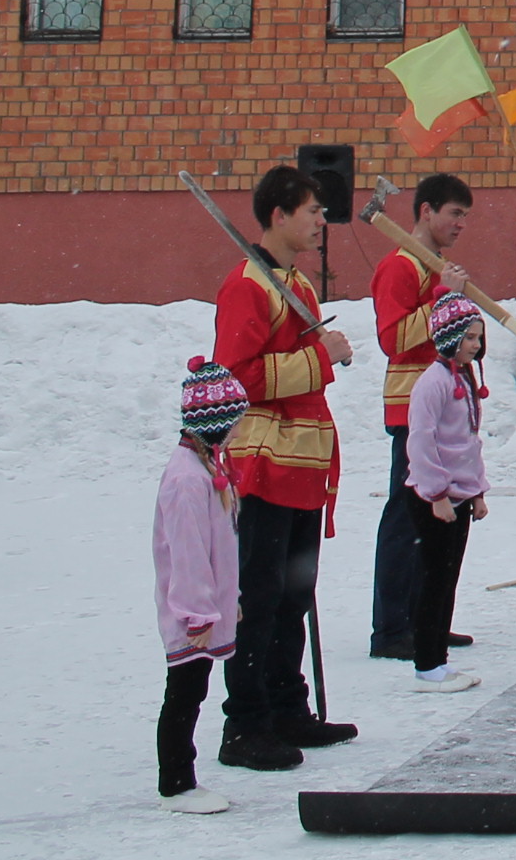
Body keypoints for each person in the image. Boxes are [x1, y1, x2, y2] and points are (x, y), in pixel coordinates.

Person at [212, 163, 358, 770]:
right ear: (279, 215)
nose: (322, 222)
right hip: (265, 463)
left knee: (295, 594)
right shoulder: (247, 286)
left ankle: (286, 705)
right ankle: (244, 724)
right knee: (261, 595)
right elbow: (236, 379)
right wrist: (320, 358)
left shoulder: (295, 285)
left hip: (302, 462)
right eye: (312, 212)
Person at [369, 173, 475, 661]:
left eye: (464, 217)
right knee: (407, 516)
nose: (459, 225)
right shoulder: (400, 267)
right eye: (454, 213)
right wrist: (440, 299)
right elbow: (392, 339)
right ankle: (392, 628)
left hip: (447, 405)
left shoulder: (436, 268)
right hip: (413, 404)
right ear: (427, 211)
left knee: (441, 519)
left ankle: (427, 619)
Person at [153, 358, 249, 813]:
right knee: (185, 693)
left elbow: (221, 548)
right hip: (191, 614)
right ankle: (176, 782)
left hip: (210, 608)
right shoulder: (187, 480)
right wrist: (200, 614)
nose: (238, 432)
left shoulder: (208, 467)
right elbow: (188, 556)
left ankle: (180, 777)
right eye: (234, 423)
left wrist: (231, 601)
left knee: (195, 690)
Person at [403, 292, 491, 695]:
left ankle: (438, 657)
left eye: (478, 338)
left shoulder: (463, 379)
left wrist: (476, 491)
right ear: (449, 337)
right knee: (433, 578)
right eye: (469, 337)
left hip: (458, 495)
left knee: (448, 578)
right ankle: (426, 663)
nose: (475, 345)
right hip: (433, 497)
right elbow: (421, 441)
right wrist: (436, 492)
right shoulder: (433, 382)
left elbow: (468, 442)